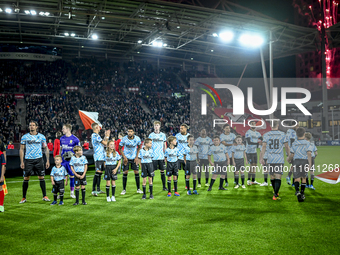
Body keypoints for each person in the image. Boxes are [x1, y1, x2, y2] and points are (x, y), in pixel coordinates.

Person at [19, 121, 50, 203]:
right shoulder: (25, 137)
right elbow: (21, 149)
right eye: (30, 125)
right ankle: (24, 197)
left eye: (33, 125)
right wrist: (22, 161)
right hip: (28, 160)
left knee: (41, 177)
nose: (31, 126)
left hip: (39, 159)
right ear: (29, 127)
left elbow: (45, 148)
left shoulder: (41, 137)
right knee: (26, 178)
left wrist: (47, 160)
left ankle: (45, 196)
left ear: (36, 127)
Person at [260, 120, 290, 200]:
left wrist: (261, 158)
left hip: (270, 158)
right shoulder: (282, 134)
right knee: (278, 176)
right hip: (279, 158)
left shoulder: (266, 135)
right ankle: (275, 194)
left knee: (272, 176)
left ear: (270, 125)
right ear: (278, 125)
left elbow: (263, 147)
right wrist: (288, 155)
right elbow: (286, 146)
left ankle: (275, 192)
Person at [287, 127, 312, 202]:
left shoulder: (294, 143)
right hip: (304, 161)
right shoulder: (308, 143)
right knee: (303, 177)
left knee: (296, 178)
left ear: (296, 134)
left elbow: (292, 154)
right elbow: (309, 153)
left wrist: (289, 159)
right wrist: (310, 164)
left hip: (296, 161)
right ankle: (302, 193)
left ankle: (297, 191)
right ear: (304, 134)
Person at [119, 127, 142, 195]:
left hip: (134, 157)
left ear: (133, 132)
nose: (129, 133)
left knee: (136, 172)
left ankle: (138, 189)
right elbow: (120, 148)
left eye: (131, 131)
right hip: (126, 158)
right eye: (128, 131)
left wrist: (137, 157)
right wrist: (124, 157)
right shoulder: (124, 139)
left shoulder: (137, 139)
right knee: (125, 172)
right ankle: (124, 190)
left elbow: (139, 147)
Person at [59, 124, 80, 199]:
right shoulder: (61, 138)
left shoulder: (75, 139)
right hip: (63, 161)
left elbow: (79, 150)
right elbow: (60, 149)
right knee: (60, 177)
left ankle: (72, 193)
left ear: (68, 129)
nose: (62, 130)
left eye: (63, 128)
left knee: (72, 176)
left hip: (71, 162)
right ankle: (60, 193)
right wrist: (59, 158)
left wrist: (75, 157)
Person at [91, 123, 110, 196]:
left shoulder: (97, 136)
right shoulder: (95, 135)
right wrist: (107, 137)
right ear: (96, 127)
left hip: (101, 156)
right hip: (98, 156)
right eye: (99, 127)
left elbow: (102, 143)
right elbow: (105, 143)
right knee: (97, 173)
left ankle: (98, 189)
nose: (100, 128)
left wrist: (105, 136)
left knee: (100, 173)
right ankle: (93, 190)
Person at [148, 121, 167, 191]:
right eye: (155, 125)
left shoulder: (163, 135)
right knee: (152, 172)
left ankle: (164, 187)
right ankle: (150, 187)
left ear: (160, 126)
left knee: (162, 171)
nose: (156, 126)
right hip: (153, 156)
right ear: (153, 126)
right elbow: (148, 145)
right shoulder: (151, 135)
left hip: (161, 156)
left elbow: (165, 145)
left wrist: (166, 155)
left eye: (157, 125)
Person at [245, 121, 262, 185]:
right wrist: (258, 144)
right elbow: (249, 142)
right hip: (249, 152)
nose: (253, 125)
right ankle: (248, 180)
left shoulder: (257, 133)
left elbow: (262, 139)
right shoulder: (248, 132)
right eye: (252, 124)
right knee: (251, 166)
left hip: (254, 151)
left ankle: (253, 180)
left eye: (254, 124)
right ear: (250, 125)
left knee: (255, 166)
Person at [175, 124, 190, 188]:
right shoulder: (177, 136)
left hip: (186, 156)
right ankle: (175, 186)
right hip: (178, 156)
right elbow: (174, 144)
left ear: (186, 129)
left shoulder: (189, 136)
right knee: (176, 171)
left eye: (182, 128)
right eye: (180, 128)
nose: (180, 129)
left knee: (186, 171)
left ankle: (187, 186)